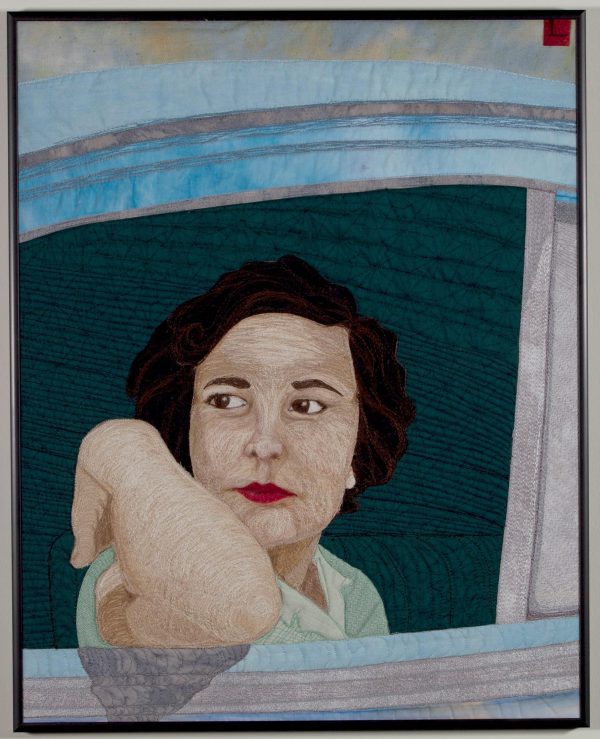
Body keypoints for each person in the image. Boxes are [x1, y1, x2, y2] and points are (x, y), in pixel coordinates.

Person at [71, 255, 415, 648]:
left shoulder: (353, 591)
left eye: (307, 406)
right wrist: (122, 447)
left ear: (358, 446)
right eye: (226, 401)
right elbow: (240, 609)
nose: (265, 445)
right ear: (186, 431)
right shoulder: (135, 569)